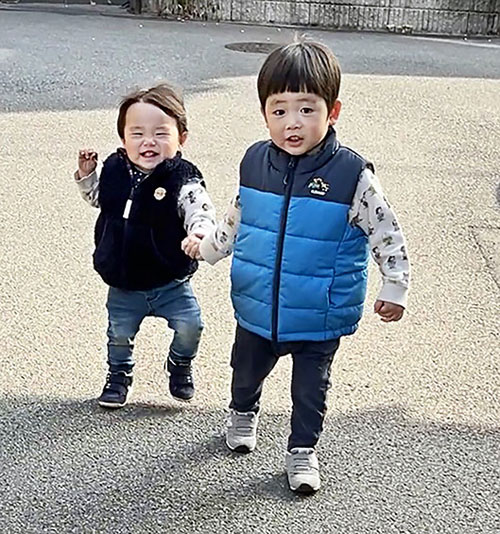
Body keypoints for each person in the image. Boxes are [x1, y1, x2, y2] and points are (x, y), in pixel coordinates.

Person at [182, 41, 410, 494]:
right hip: (257, 302)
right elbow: (237, 217)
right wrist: (209, 248)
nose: (293, 122)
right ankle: (242, 413)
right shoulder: (254, 162)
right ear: (264, 114)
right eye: (280, 110)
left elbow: (386, 231)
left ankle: (302, 450)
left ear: (333, 111)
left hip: (318, 312)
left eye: (307, 109)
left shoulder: (352, 175)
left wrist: (395, 285)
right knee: (245, 371)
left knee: (311, 391)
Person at [75, 82, 215, 409]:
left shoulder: (182, 178)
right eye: (137, 134)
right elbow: (99, 199)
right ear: (124, 139)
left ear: (181, 138)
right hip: (124, 279)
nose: (148, 142)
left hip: (170, 280)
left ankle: (180, 363)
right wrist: (87, 175)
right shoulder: (114, 170)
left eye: (161, 133)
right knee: (119, 334)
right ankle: (118, 375)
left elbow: (200, 211)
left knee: (191, 326)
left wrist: (199, 234)